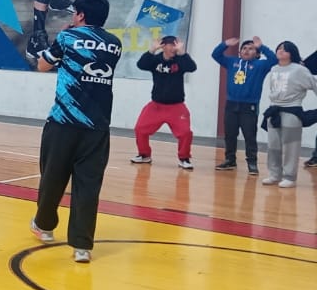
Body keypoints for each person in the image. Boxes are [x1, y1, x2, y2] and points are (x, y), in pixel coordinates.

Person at [30, 0, 120, 263]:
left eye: (74, 13)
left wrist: (63, 36)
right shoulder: (114, 43)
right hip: (98, 126)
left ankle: (44, 227)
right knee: (88, 185)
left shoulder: (67, 37)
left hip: (63, 123)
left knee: (52, 178)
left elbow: (42, 65)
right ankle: (82, 246)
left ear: (80, 15)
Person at [211, 36, 276, 174]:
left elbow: (274, 60)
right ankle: (230, 160)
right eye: (244, 48)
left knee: (249, 135)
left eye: (251, 49)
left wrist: (261, 46)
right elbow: (215, 55)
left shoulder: (260, 65)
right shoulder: (232, 62)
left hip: (249, 106)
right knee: (230, 134)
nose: (246, 50)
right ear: (240, 52)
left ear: (257, 54)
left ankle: (252, 162)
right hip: (231, 104)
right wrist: (225, 44)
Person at [132, 36, 198, 170]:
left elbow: (192, 68)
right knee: (140, 129)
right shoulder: (155, 60)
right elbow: (141, 65)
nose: (174, 48)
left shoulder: (180, 60)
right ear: (164, 46)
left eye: (176, 45)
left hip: (176, 107)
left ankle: (184, 158)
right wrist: (151, 50)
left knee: (185, 133)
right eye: (171, 45)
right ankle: (144, 155)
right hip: (156, 106)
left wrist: (182, 53)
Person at [260, 41, 317, 187]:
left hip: (292, 110)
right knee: (273, 146)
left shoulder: (300, 70)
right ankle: (274, 174)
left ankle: (290, 177)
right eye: (279, 48)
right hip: (274, 110)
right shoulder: (274, 69)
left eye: (285, 50)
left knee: (291, 147)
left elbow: (313, 84)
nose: (280, 51)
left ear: (292, 53)